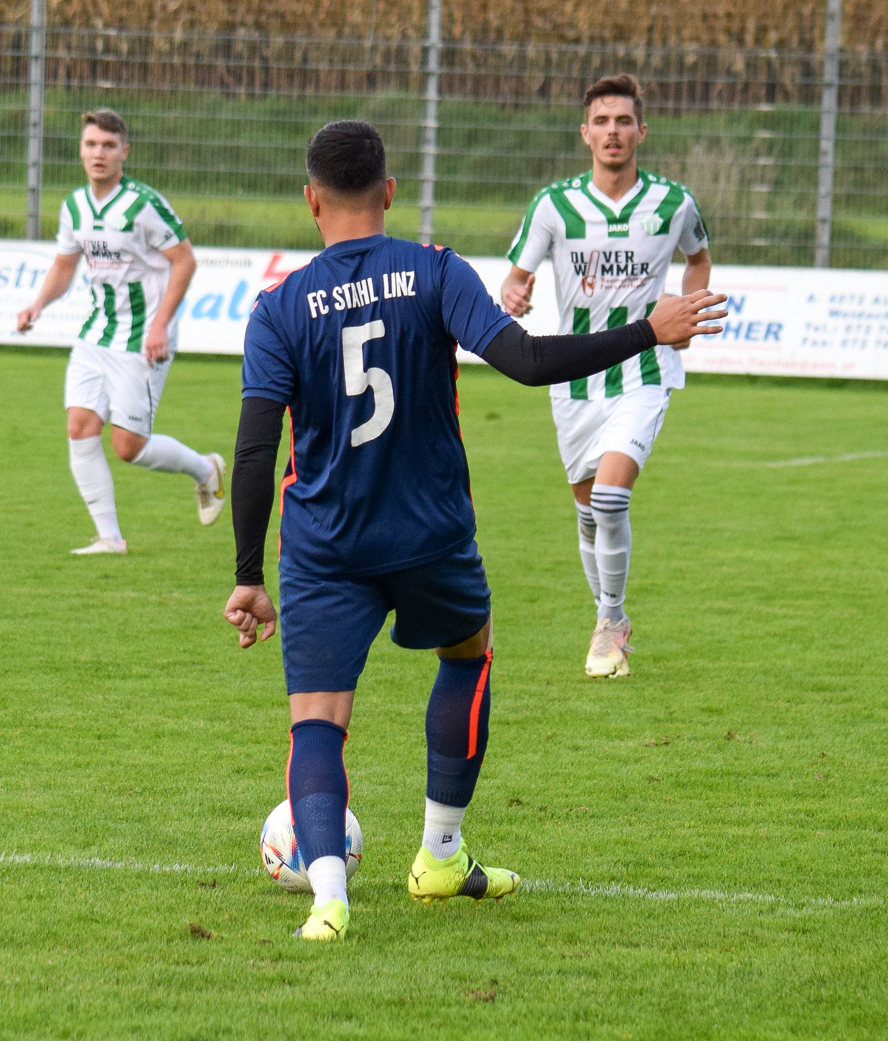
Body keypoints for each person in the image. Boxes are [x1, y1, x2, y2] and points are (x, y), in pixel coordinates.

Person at [224, 119, 725, 941]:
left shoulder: (278, 306)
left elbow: (252, 451)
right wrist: (648, 331)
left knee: (317, 718)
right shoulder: (435, 270)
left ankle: (328, 900)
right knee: (467, 655)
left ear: (311, 200)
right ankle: (441, 855)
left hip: (324, 544)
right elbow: (526, 362)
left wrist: (249, 575)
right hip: (430, 532)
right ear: (390, 192)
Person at [499, 74, 713, 677]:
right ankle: (607, 617)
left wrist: (688, 312)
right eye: (601, 121)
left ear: (642, 131)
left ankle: (611, 620)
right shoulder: (554, 205)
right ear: (585, 134)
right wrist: (515, 293)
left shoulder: (673, 203)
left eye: (623, 121)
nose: (612, 131)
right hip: (574, 377)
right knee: (590, 512)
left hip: (645, 369)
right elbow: (516, 276)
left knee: (612, 497)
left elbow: (698, 258)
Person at [17, 108, 226, 554]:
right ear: (81, 150)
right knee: (80, 427)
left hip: (142, 337)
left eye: (109, 146)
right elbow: (64, 265)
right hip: (96, 332)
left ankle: (206, 470)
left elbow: (184, 261)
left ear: (124, 152)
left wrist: (160, 324)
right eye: (92, 144)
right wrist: (37, 305)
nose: (99, 153)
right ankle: (110, 539)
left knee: (129, 447)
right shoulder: (74, 206)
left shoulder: (143, 204)